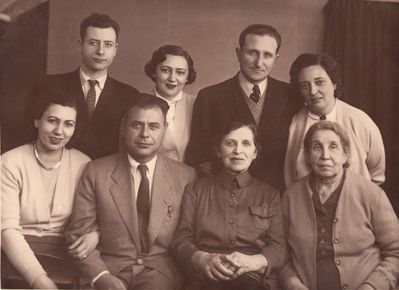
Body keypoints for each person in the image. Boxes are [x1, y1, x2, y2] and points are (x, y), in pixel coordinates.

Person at [65, 93, 197, 289]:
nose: (145, 134)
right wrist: (100, 276)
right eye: (136, 125)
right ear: (124, 127)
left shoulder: (185, 176)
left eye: (153, 126)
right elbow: (79, 233)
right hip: (109, 268)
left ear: (165, 129)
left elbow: (187, 237)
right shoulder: (96, 171)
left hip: (161, 273)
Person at [280, 121, 399, 290]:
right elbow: (280, 252)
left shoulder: (372, 194)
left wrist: (372, 286)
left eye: (333, 146)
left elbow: (395, 252)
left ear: (346, 155)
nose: (325, 155)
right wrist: (291, 282)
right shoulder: (290, 197)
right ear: (307, 156)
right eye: (317, 147)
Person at [185, 24, 301, 191]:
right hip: (223, 197)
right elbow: (198, 157)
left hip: (277, 197)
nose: (259, 63)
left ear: (276, 58)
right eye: (252, 52)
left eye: (267, 55)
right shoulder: (210, 97)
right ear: (238, 54)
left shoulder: (291, 96)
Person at [1, 89, 97, 289]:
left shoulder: (83, 163)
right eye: (52, 120)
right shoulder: (10, 162)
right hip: (15, 251)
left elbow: (99, 217)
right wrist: (39, 280)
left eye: (68, 124)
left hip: (67, 252)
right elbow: (6, 230)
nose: (59, 131)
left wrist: (96, 233)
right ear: (37, 120)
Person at [173, 120, 286, 290]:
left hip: (253, 279)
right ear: (218, 150)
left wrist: (252, 263)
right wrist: (202, 259)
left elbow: (278, 247)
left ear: (255, 152)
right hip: (205, 278)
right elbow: (181, 240)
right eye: (230, 143)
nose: (238, 151)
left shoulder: (270, 195)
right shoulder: (196, 190)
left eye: (246, 144)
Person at [30, 13, 139, 159]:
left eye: (108, 44)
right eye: (93, 43)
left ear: (115, 49)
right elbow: (30, 134)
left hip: (106, 177)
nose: (100, 51)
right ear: (80, 45)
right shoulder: (49, 86)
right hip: (56, 170)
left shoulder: (130, 95)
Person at [284, 53, 385, 187]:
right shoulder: (294, 124)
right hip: (306, 205)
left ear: (334, 83)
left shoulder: (360, 121)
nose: (313, 91)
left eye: (319, 82)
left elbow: (376, 173)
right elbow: (290, 176)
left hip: (355, 203)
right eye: (304, 85)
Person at [144, 44, 196, 162]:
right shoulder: (138, 105)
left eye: (180, 72)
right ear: (154, 72)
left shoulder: (198, 104)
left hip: (193, 177)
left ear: (187, 77)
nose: (172, 78)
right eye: (165, 70)